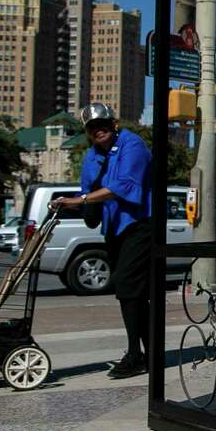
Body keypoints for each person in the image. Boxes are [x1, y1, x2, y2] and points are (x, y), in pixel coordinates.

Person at [50, 103, 153, 379]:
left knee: (127, 285)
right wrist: (70, 205)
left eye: (103, 124)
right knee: (133, 293)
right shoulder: (91, 157)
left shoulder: (133, 145)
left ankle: (135, 354)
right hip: (114, 228)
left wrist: (81, 200)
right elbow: (87, 193)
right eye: (93, 127)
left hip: (140, 224)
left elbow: (125, 186)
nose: (99, 130)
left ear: (114, 123)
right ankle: (146, 353)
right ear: (87, 132)